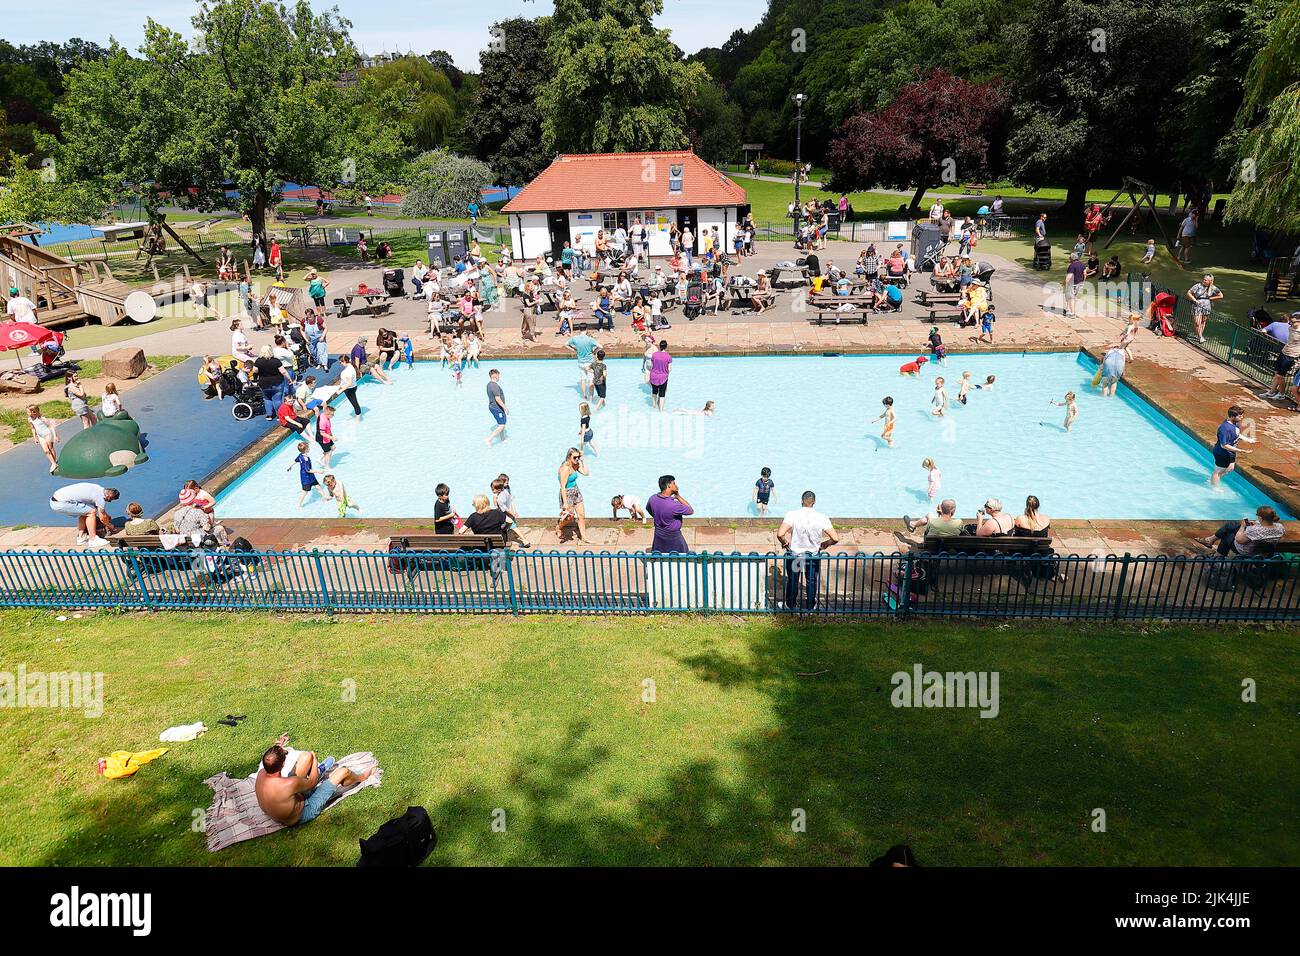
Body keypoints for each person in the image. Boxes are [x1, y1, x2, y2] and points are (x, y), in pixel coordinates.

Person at [255, 734, 373, 826]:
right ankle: (362, 777)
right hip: (303, 812)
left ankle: (321, 770)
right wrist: (315, 760)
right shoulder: (289, 784)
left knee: (307, 757)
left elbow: (270, 758)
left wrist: (278, 746)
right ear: (282, 765)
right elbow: (313, 783)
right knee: (343, 772)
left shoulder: (262, 773)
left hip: (285, 806)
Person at [777, 490, 837, 611]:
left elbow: (780, 534)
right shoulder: (822, 517)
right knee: (811, 580)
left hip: (796, 555)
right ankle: (810, 605)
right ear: (814, 502)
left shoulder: (792, 514)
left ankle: (790, 605)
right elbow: (835, 538)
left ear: (801, 501)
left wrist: (785, 543)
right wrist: (826, 543)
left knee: (793, 579)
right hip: (813, 555)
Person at [1196, 506, 1284, 556]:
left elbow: (1239, 540)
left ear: (1260, 517)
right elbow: (1266, 530)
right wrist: (1256, 524)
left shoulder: (1254, 530)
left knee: (1227, 534)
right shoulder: (1280, 527)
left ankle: (1217, 556)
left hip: (1246, 551)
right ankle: (1210, 540)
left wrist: (1242, 527)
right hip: (1262, 550)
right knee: (1232, 525)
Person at [50, 482, 118, 546]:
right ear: (108, 496)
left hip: (55, 499)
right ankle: (93, 540)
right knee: (92, 511)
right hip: (61, 503)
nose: (109, 501)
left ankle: (81, 538)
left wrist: (106, 515)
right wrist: (110, 525)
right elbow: (102, 518)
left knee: (85, 510)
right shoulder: (101, 497)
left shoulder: (98, 488)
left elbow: (101, 512)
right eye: (110, 500)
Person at [646, 474, 693, 553]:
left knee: (660, 557)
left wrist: (659, 517)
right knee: (681, 558)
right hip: (674, 536)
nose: (676, 485)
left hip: (659, 534)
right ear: (669, 486)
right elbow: (690, 510)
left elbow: (649, 509)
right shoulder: (674, 505)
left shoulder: (652, 498)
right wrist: (678, 497)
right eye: (674, 483)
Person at [1211, 405, 1254, 485]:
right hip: (1222, 453)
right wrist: (1241, 451)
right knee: (1219, 471)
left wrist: (1247, 439)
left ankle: (1216, 479)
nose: (1242, 417)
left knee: (1230, 468)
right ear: (1232, 416)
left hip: (1231, 452)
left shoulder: (1235, 423)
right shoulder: (1225, 429)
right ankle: (1214, 486)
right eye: (1240, 416)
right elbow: (1224, 445)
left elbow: (1237, 434)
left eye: (1242, 415)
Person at [556, 448, 590, 541]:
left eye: (578, 457)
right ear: (569, 457)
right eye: (575, 457)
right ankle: (559, 527)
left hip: (576, 491)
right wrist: (565, 503)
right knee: (569, 518)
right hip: (567, 493)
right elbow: (563, 487)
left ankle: (584, 537)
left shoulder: (576, 464)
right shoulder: (565, 468)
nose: (577, 459)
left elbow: (586, 473)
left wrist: (583, 461)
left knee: (581, 515)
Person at [1186, 274, 1222, 343]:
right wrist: (1194, 300)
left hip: (1207, 306)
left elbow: (1221, 295)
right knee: (1197, 322)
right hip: (1197, 305)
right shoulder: (1198, 286)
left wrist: (1211, 298)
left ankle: (1199, 336)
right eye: (1204, 279)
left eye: (1206, 280)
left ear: (1210, 281)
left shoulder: (1213, 288)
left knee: (1203, 321)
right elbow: (1189, 293)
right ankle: (1200, 336)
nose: (1204, 280)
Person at [288, 441, 325, 506]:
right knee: (305, 491)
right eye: (308, 448)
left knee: (318, 486)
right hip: (306, 478)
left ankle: (324, 497)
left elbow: (295, 460)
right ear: (306, 450)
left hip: (311, 476)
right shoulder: (305, 460)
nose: (309, 449)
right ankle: (298, 504)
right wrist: (318, 471)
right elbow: (308, 470)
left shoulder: (300, 455)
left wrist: (290, 466)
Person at [27, 405, 59, 472]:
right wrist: (35, 438)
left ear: (34, 412)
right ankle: (53, 463)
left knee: (50, 448)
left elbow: (51, 426)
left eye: (29, 412)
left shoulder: (42, 419)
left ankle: (54, 462)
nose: (28, 414)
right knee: (46, 451)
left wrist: (55, 435)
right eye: (27, 412)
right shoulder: (29, 419)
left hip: (48, 434)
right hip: (40, 436)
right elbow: (33, 428)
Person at [485, 369, 508, 446]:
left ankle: (503, 439)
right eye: (498, 375)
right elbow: (497, 398)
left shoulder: (489, 384)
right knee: (501, 425)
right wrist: (505, 408)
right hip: (496, 408)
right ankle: (489, 439)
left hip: (494, 407)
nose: (499, 377)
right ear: (494, 375)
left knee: (502, 424)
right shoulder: (494, 385)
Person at [648, 340, 672, 411]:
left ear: (660, 346)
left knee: (654, 391)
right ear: (666, 347)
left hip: (653, 376)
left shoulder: (654, 354)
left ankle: (654, 405)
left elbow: (652, 365)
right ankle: (661, 410)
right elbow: (669, 369)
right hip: (663, 377)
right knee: (662, 394)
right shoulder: (668, 357)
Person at [1062, 252, 1086, 318]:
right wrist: (1083, 281)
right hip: (1080, 284)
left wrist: (1064, 283)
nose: (1069, 259)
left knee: (1071, 298)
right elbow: (1085, 273)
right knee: (1070, 296)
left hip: (1072, 284)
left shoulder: (1072, 266)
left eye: (1070, 258)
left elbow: (1069, 276)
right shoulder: (1082, 264)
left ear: (1072, 258)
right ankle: (1066, 310)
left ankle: (1072, 314)